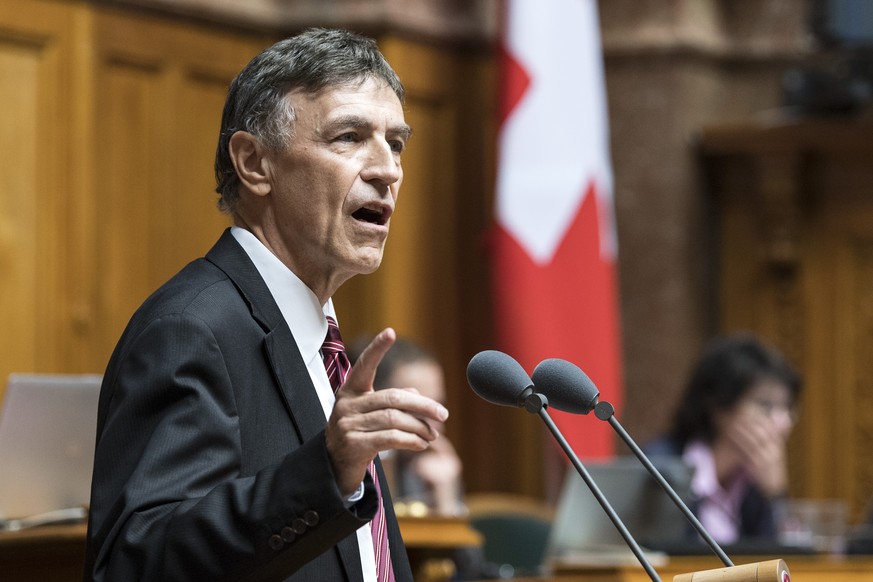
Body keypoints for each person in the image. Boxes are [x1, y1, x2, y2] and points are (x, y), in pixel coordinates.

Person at [83, 28, 449, 582]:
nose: (388, 170)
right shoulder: (190, 329)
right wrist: (324, 471)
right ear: (255, 163)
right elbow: (134, 565)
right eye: (349, 137)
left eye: (395, 143)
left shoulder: (320, 339)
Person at [645, 333, 803, 544]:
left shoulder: (758, 480)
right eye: (766, 406)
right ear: (719, 405)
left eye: (787, 408)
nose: (784, 423)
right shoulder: (658, 466)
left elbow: (781, 564)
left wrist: (775, 496)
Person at [351, 337, 465, 518]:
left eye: (438, 407)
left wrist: (447, 504)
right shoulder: (345, 473)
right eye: (417, 410)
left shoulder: (435, 465)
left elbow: (467, 547)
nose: (436, 428)